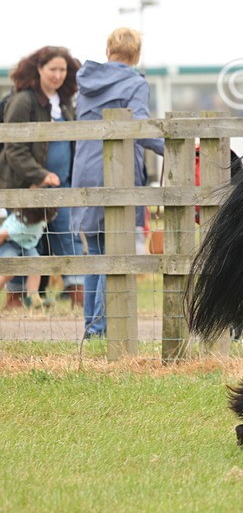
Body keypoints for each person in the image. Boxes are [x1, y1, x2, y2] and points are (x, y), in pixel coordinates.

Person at [71, 28, 164, 339]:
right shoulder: (135, 82)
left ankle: (92, 326)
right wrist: (174, 145)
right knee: (114, 253)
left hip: (85, 169)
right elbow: (140, 125)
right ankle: (99, 329)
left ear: (108, 49)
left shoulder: (84, 84)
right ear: (136, 55)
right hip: (116, 171)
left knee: (96, 253)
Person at [1, 46, 83, 309]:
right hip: (28, 185)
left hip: (64, 185)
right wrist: (41, 174)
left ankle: (77, 294)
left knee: (68, 236)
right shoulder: (22, 101)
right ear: (39, 69)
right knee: (20, 240)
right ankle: (14, 298)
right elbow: (13, 148)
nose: (58, 75)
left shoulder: (65, 101)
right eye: (53, 69)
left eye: (63, 70)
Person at [0, 207, 54, 309]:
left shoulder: (44, 215)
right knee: (8, 270)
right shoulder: (19, 224)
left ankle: (33, 297)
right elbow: (2, 235)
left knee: (36, 264)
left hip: (27, 245)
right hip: (10, 243)